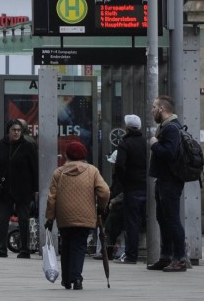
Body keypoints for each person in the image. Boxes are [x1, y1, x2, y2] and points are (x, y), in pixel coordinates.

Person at [45, 141, 110, 290]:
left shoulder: (59, 172)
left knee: (66, 244)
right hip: (85, 215)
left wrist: (50, 218)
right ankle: (77, 278)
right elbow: (105, 191)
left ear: (66, 155)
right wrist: (101, 207)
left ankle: (66, 279)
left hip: (64, 216)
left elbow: (52, 197)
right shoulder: (92, 171)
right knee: (79, 246)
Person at [148, 96, 188, 272]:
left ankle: (179, 259)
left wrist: (154, 144)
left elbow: (169, 153)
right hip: (164, 179)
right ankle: (166, 257)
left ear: (162, 109)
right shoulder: (167, 127)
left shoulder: (171, 128)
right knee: (163, 219)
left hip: (170, 180)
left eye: (154, 107)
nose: (152, 110)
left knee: (171, 220)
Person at [0, 119, 38, 259]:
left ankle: (24, 249)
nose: (16, 132)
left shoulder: (27, 146)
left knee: (23, 219)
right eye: (14, 130)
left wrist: (35, 189)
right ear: (8, 131)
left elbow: (34, 168)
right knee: (3, 219)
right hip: (4, 189)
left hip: (23, 189)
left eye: (18, 130)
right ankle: (1, 248)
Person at [113, 114, 148, 264]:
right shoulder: (146, 143)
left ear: (126, 127)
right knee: (148, 221)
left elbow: (120, 165)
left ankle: (131, 255)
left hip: (132, 188)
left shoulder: (125, 144)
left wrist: (123, 182)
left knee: (132, 222)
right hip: (146, 187)